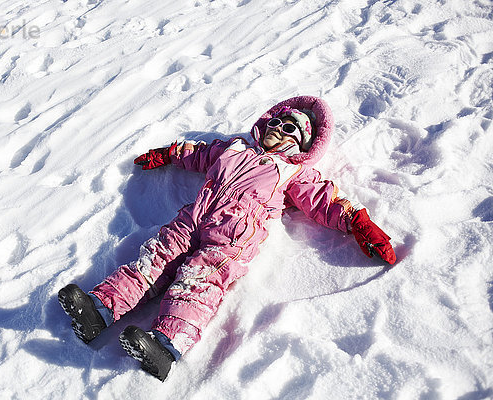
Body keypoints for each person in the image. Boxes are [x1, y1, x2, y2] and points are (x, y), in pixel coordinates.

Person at [58, 96, 396, 381]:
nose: (278, 130)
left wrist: (358, 223)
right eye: (276, 123)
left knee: (199, 280)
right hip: (193, 217)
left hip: (233, 235)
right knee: (154, 259)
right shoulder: (233, 148)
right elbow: (198, 153)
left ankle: (165, 345)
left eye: (289, 129)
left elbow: (325, 200)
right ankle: (98, 311)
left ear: (303, 144)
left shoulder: (294, 171)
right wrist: (168, 154)